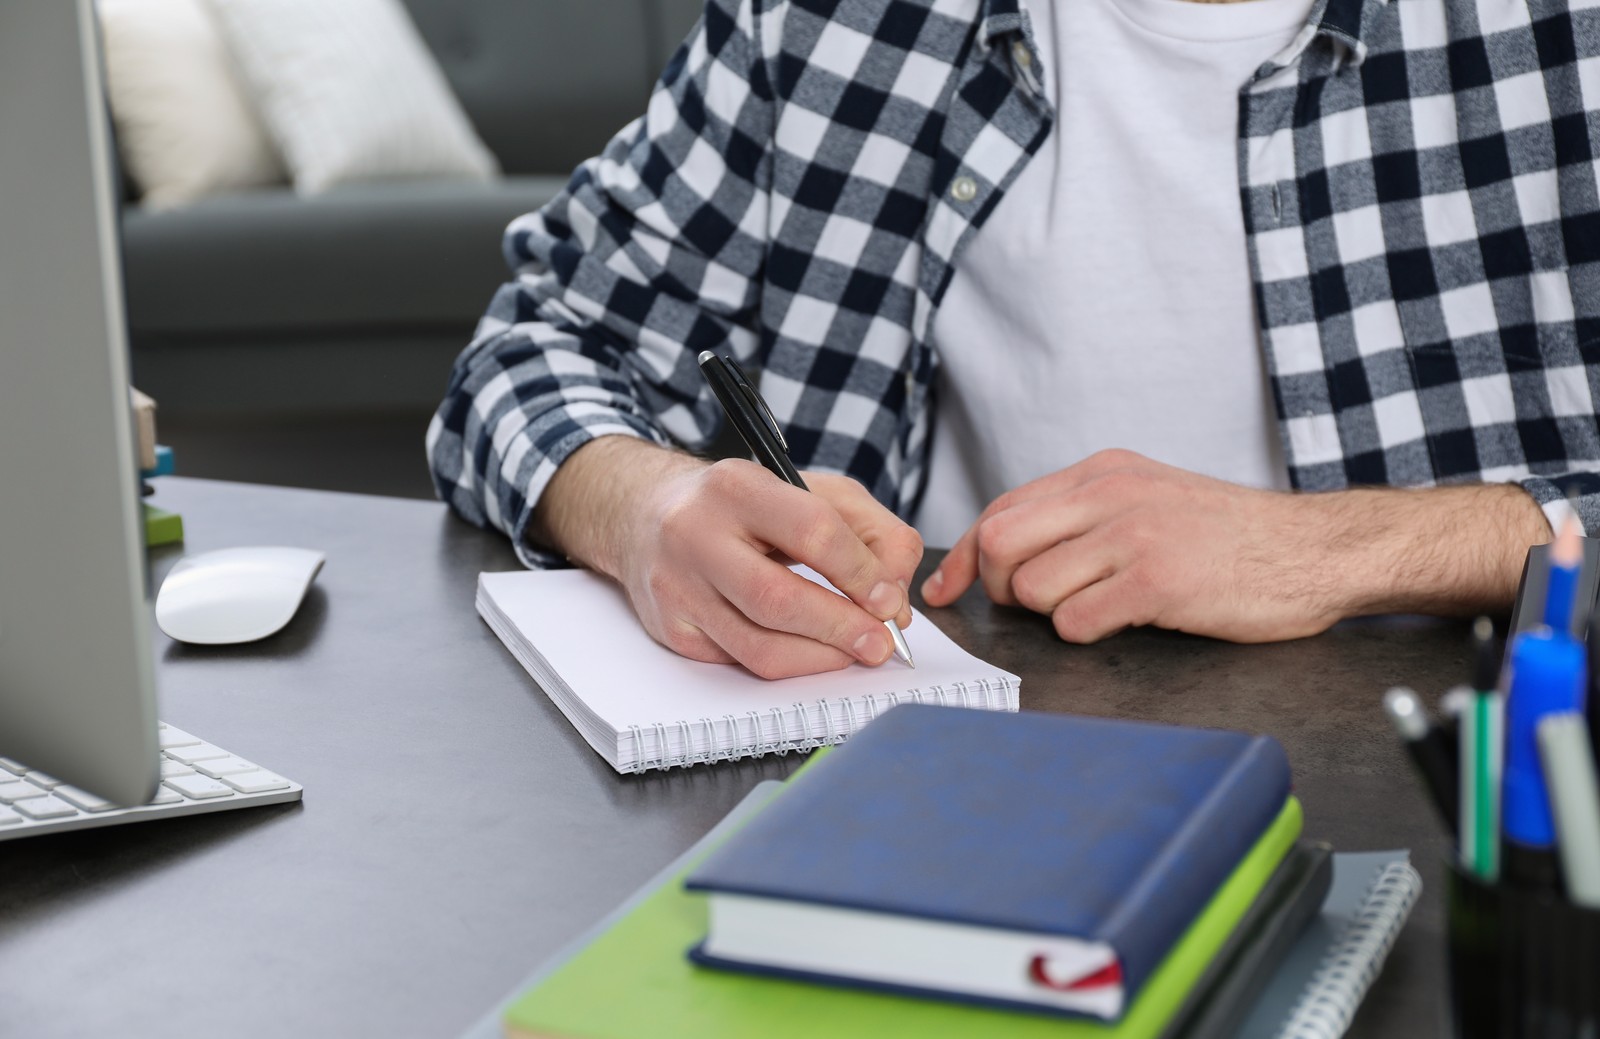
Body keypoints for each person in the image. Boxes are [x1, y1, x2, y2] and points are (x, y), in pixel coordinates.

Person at [428, 0, 1600, 679]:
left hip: (1448, 789)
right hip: (921, 758)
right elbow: (534, 346)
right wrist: (645, 508)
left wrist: (1334, 551)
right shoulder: (827, 18)